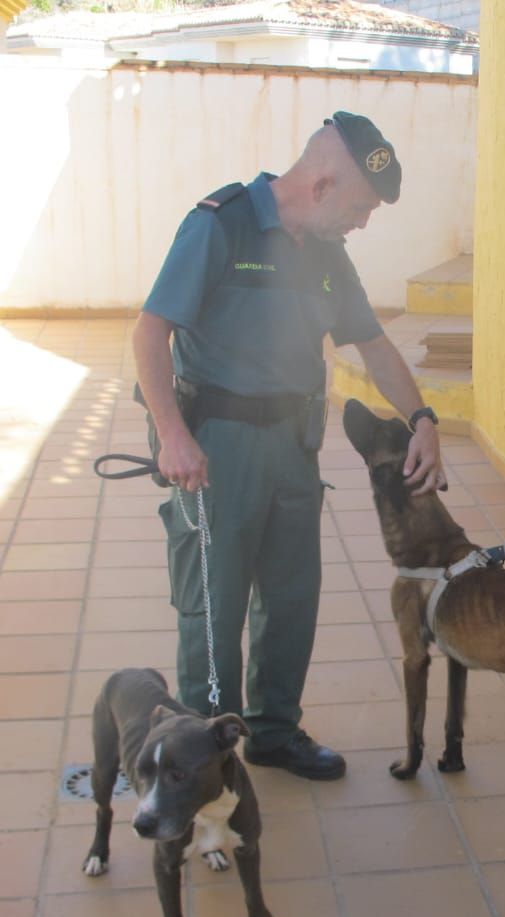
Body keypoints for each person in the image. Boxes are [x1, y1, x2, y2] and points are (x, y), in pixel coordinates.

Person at [133, 112, 444, 781]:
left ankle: (274, 733)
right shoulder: (221, 225)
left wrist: (422, 418)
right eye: (360, 208)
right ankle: (203, 753)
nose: (362, 223)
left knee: (291, 598)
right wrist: (172, 434)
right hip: (218, 450)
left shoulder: (328, 253)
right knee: (213, 610)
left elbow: (374, 345)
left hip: (294, 445)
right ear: (324, 185)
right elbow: (150, 331)